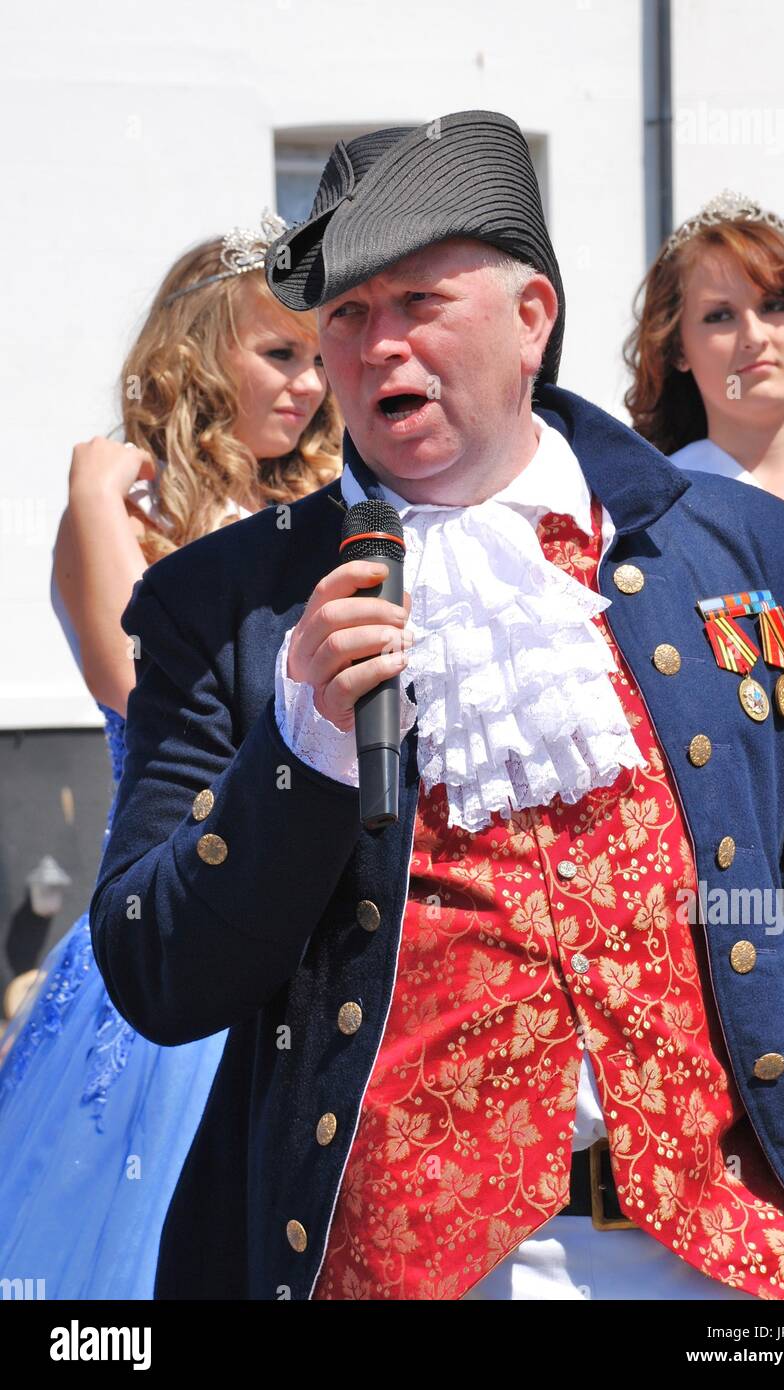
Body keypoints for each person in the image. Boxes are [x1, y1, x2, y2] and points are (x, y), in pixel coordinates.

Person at [90, 111, 784, 1302]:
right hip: (402, 1268)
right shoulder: (226, 605)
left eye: (416, 302)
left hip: (732, 1264)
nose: (375, 347)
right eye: (345, 315)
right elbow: (159, 973)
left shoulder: (725, 545)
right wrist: (298, 745)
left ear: (531, 318)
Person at [0, 212, 341, 1299]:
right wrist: (95, 499)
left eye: (316, 355)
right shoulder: (128, 511)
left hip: (305, 928)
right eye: (277, 352)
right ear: (200, 351)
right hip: (169, 919)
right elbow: (128, 686)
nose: (308, 382)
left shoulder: (318, 515)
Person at [624, 190, 784, 833]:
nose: (754, 336)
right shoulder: (649, 526)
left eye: (777, 306)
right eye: (719, 316)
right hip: (764, 869)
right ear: (676, 348)